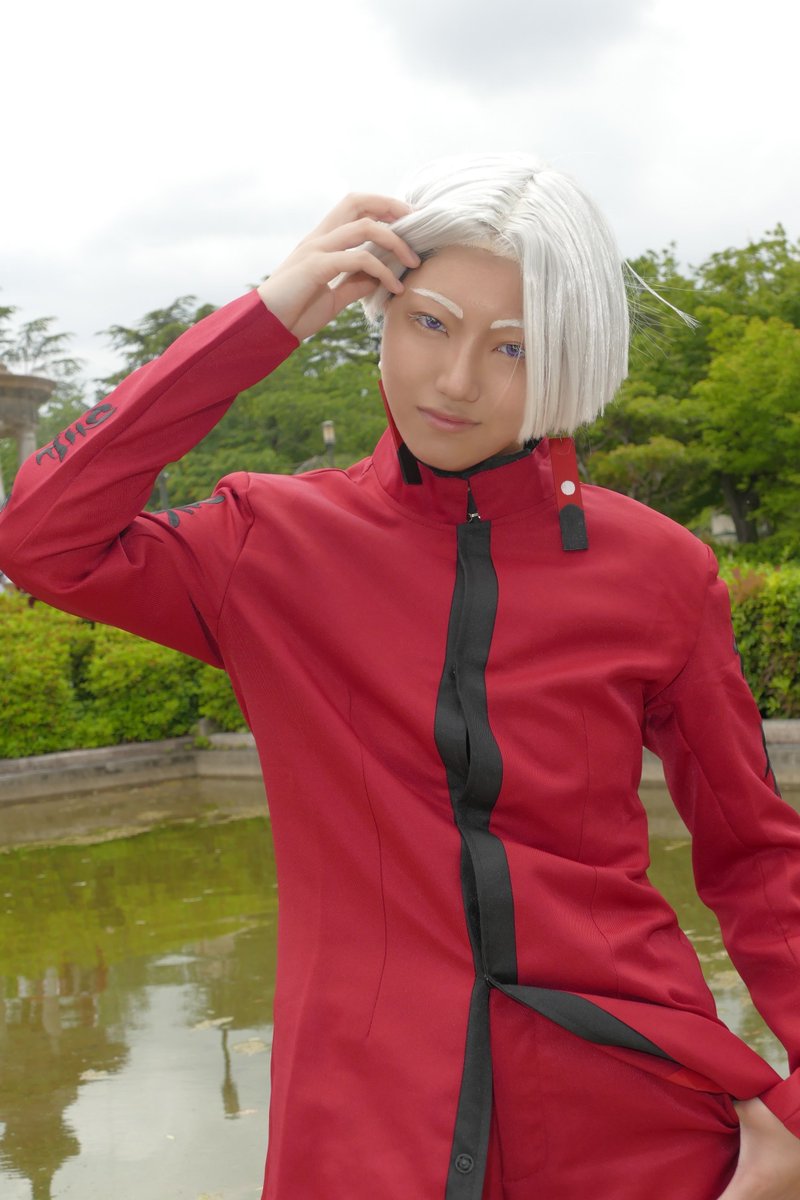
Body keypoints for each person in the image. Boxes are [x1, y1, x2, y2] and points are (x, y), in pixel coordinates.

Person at [1, 153, 800, 1200]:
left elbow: (755, 854)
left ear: (571, 356)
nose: (456, 380)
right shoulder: (267, 544)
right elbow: (41, 537)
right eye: (429, 322)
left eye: (512, 346)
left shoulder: (658, 572)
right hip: (363, 1128)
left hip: (637, 1120)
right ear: (376, 312)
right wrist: (268, 315)